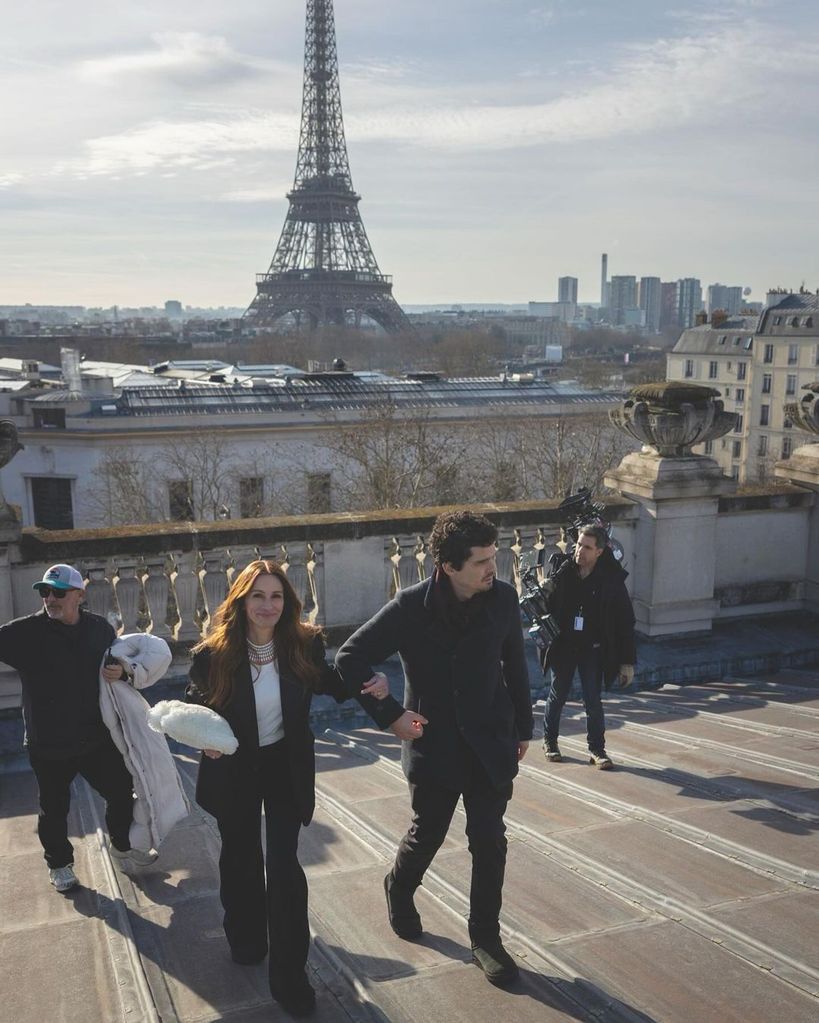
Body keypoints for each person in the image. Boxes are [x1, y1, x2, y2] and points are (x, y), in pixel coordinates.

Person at [336, 510, 533, 988]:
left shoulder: (504, 599)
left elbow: (516, 665)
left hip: (490, 742)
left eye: (494, 556)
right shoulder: (409, 607)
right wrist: (391, 717)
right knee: (429, 833)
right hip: (433, 744)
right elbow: (349, 658)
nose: (494, 567)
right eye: (482, 561)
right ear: (448, 566)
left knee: (489, 840)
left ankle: (486, 937)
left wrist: (524, 728)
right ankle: (399, 888)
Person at [185, 559, 388, 1018]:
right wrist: (205, 740)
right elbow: (193, 706)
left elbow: (336, 685)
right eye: (257, 595)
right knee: (238, 856)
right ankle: (247, 935)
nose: (267, 605)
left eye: (276, 596)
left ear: (287, 602)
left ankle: (291, 979)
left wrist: (373, 684)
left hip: (283, 767)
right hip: (234, 765)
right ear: (240, 601)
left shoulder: (304, 645)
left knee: (283, 869)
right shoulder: (212, 654)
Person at [0, 564, 155, 895]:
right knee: (54, 809)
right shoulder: (24, 633)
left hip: (95, 738)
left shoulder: (100, 629)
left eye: (58, 592)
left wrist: (124, 673)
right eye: (45, 592)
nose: (50, 599)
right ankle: (59, 864)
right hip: (48, 743)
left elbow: (124, 666)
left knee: (120, 790)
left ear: (80, 596)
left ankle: (122, 845)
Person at [540, 524, 636, 770]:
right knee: (557, 695)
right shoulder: (562, 569)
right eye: (579, 544)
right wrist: (544, 590)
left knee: (593, 701)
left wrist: (627, 662)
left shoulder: (611, 580)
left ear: (600, 551)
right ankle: (550, 742)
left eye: (587, 547)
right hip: (563, 645)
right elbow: (543, 607)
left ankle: (597, 749)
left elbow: (625, 621)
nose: (579, 551)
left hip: (592, 649)